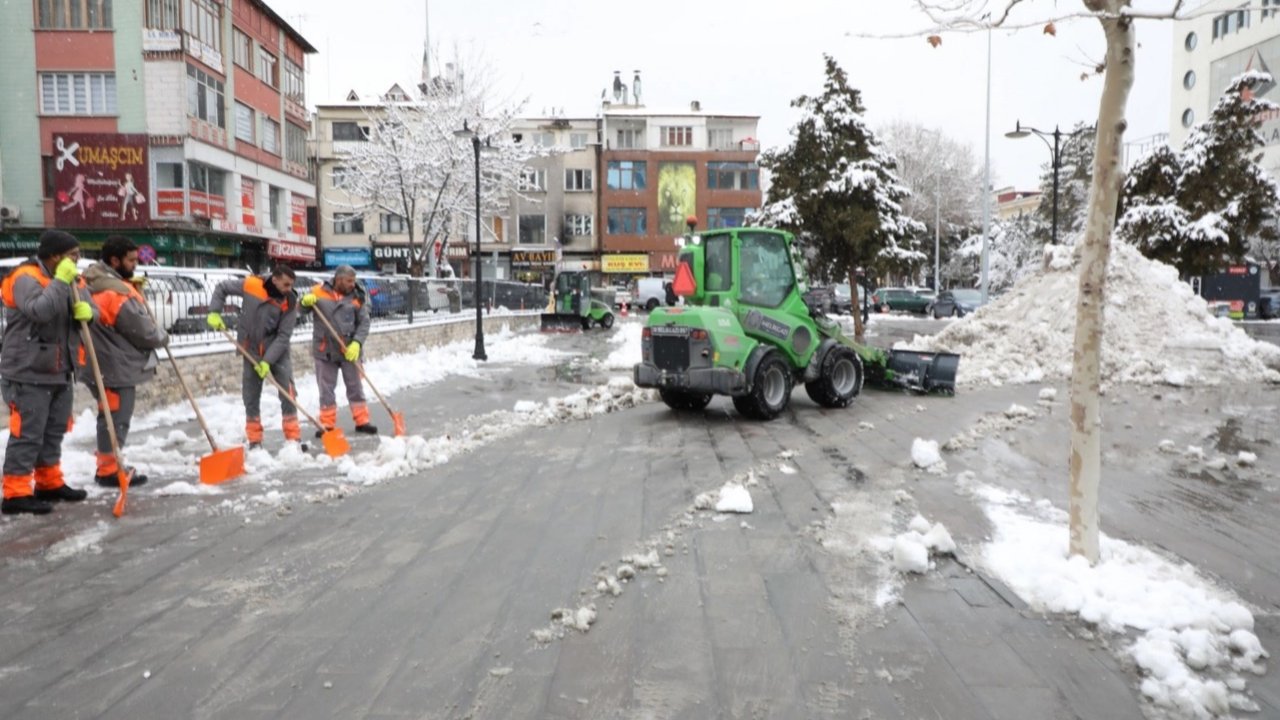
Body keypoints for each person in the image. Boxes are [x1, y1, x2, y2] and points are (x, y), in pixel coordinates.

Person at [0, 230, 97, 514]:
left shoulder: (73, 280)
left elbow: (94, 310)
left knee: (53, 431)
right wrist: (61, 281)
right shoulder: (25, 278)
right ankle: (15, 493)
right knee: (28, 433)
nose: (77, 262)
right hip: (27, 371)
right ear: (54, 256)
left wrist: (89, 314)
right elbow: (40, 311)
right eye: (72, 256)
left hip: (61, 368)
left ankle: (49, 482)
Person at [78, 235, 168, 488]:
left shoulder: (92, 280)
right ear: (114, 260)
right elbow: (143, 331)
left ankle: (109, 465)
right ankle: (109, 470)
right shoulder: (116, 292)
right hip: (113, 366)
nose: (135, 265)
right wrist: (162, 337)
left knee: (110, 415)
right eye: (130, 260)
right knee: (115, 417)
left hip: (100, 360)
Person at [206, 264, 300, 448]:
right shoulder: (251, 285)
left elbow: (283, 336)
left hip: (277, 350)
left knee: (287, 393)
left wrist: (267, 362)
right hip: (250, 349)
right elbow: (222, 287)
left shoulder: (289, 300)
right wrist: (214, 311)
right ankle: (255, 439)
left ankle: (293, 437)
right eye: (286, 285)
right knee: (251, 395)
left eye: (291, 285)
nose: (289, 289)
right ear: (274, 280)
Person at [300, 265, 376, 436]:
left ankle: (362, 421)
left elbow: (364, 322)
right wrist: (304, 302)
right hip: (325, 349)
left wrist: (357, 343)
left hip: (349, 349)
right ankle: (327, 424)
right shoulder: (317, 291)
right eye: (349, 281)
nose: (352, 284)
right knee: (326, 389)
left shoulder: (357, 295)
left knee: (355, 387)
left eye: (353, 281)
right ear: (338, 279)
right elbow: (300, 310)